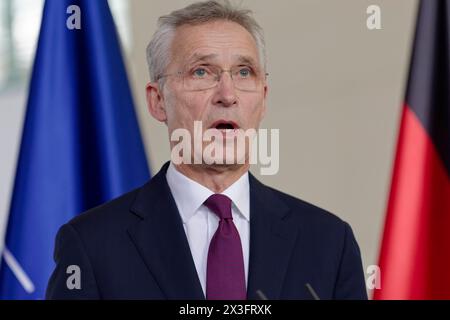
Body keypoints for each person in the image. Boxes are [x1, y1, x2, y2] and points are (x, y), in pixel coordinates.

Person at [46, 0, 367, 300]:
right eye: (201, 71)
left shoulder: (328, 242)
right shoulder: (91, 245)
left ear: (263, 98)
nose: (227, 94)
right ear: (158, 101)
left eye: (244, 72)